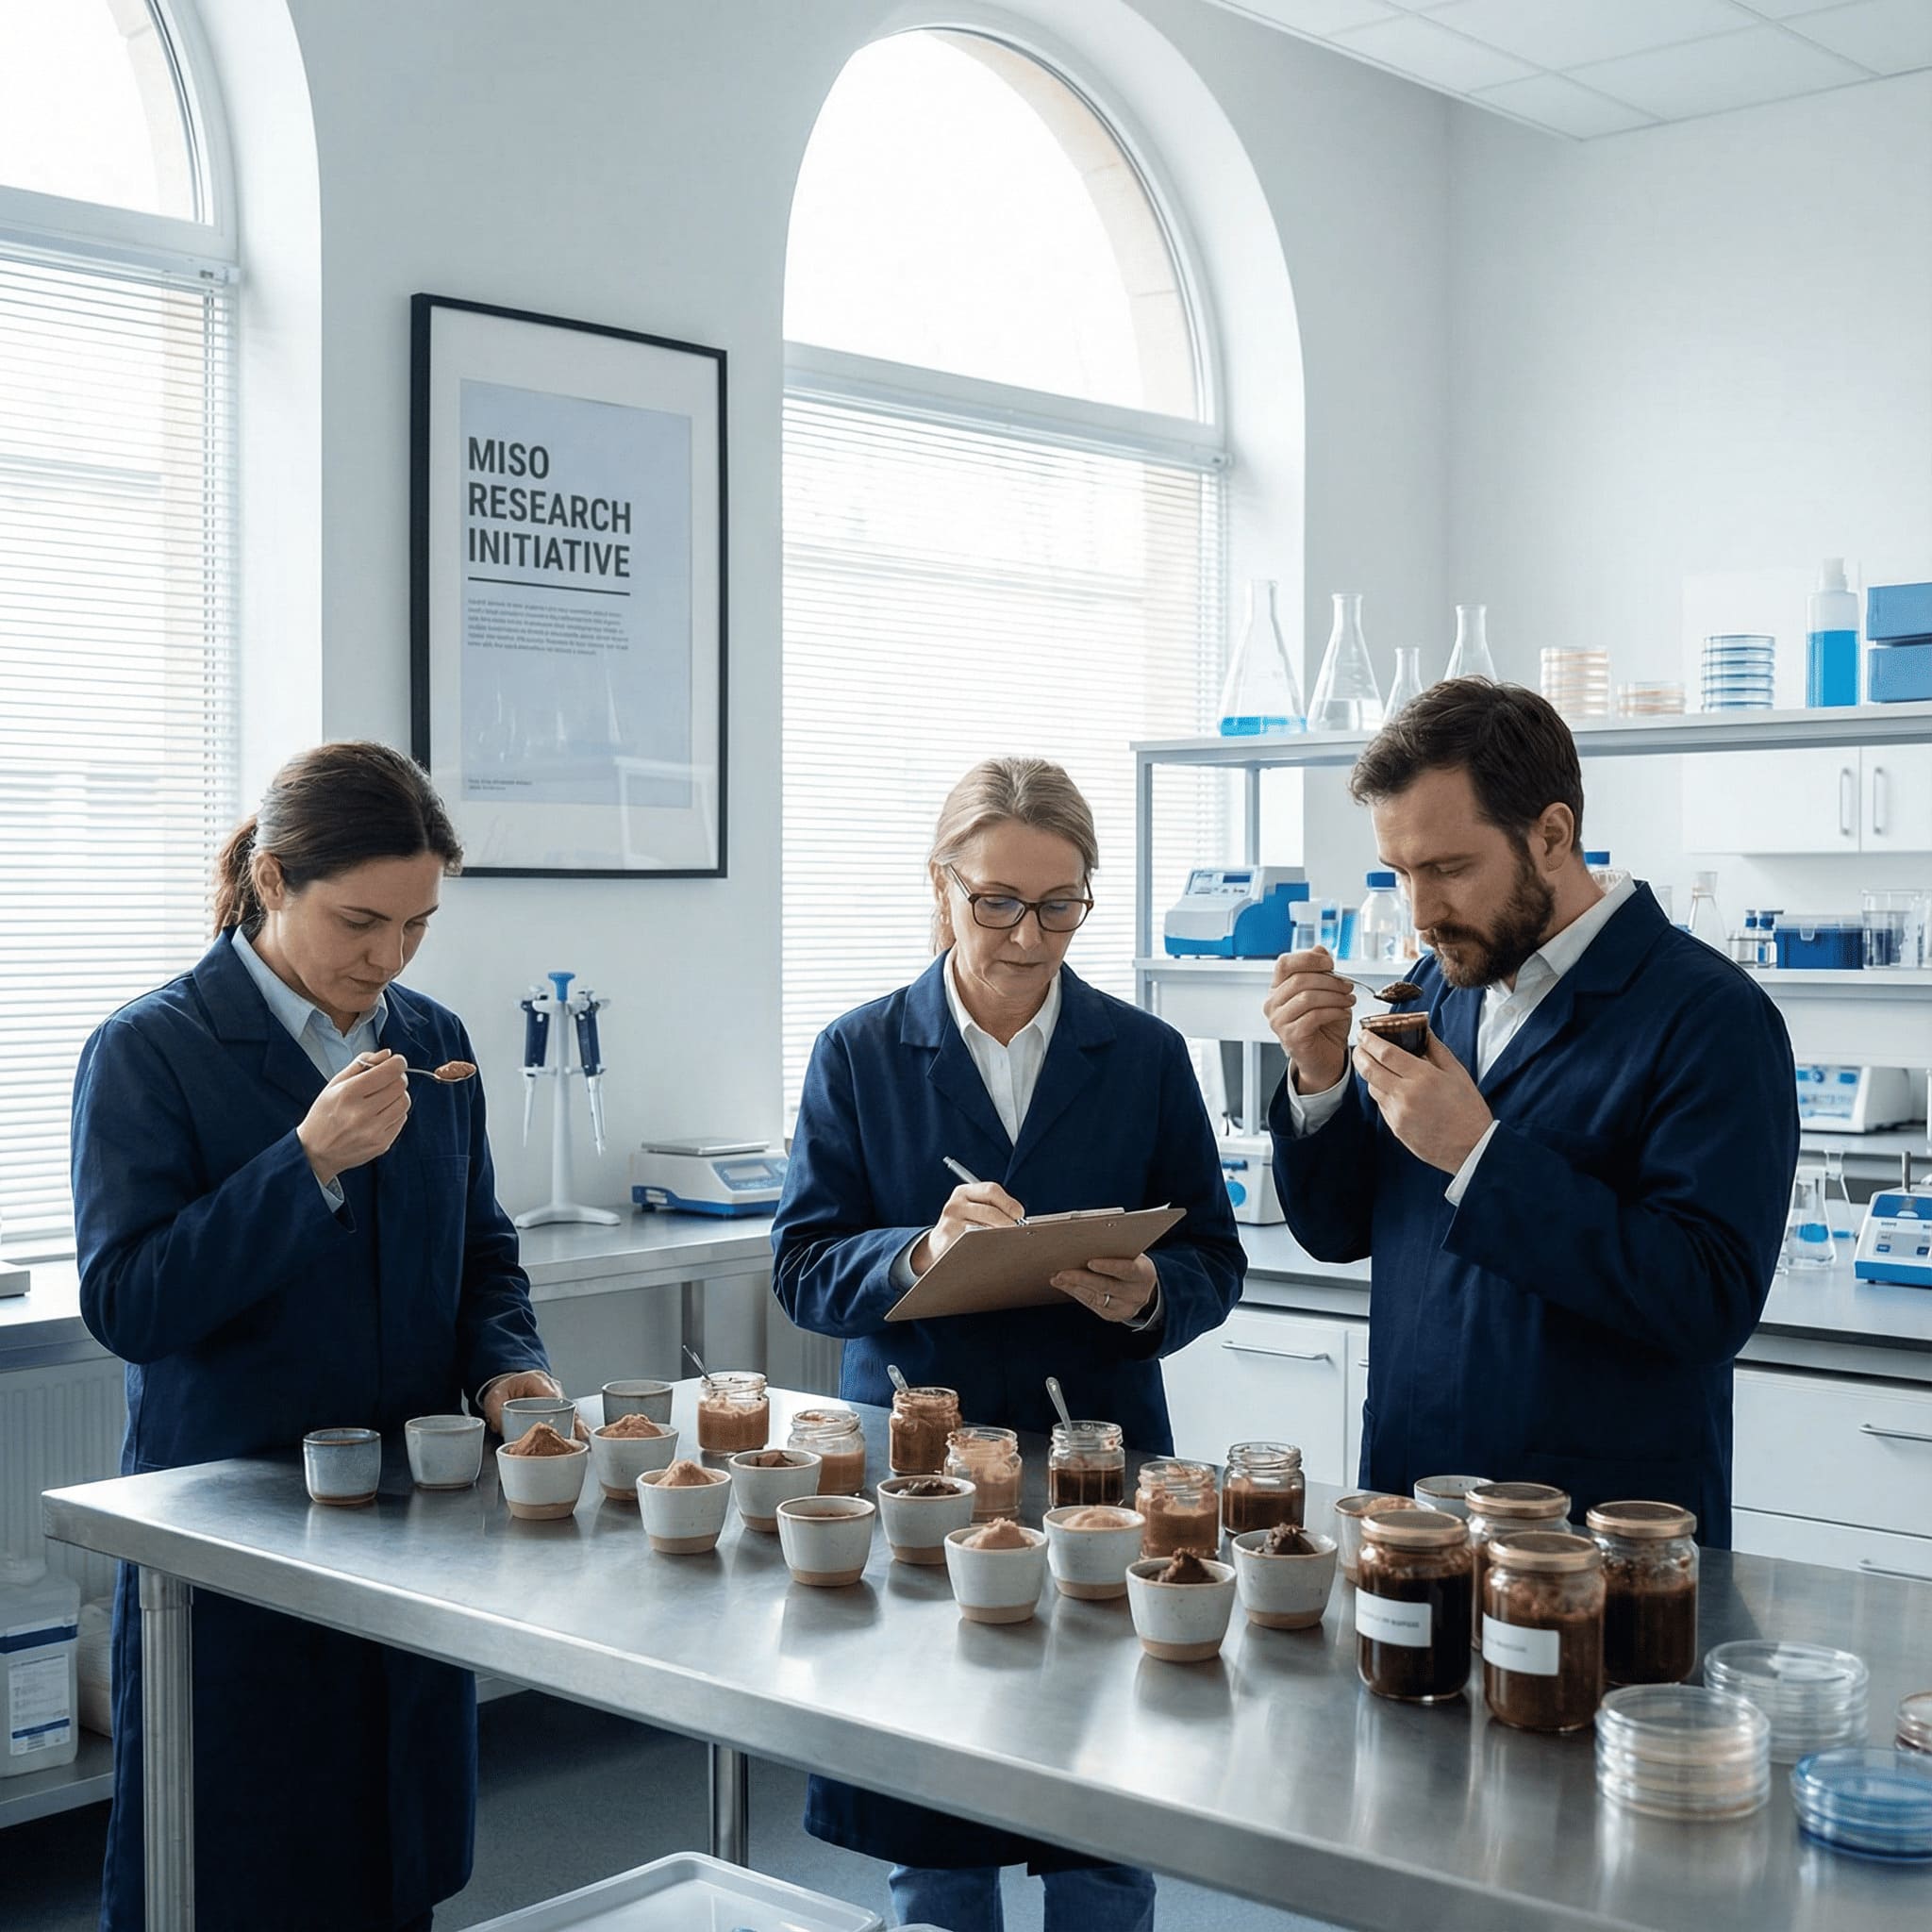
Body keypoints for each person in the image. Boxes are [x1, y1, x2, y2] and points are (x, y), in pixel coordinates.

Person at [72, 741, 562, 1932]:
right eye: (359, 921)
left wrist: (511, 1368)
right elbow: (129, 1298)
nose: (387, 958)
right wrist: (306, 1164)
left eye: (416, 925)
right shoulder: (149, 1050)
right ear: (274, 880)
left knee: (394, 1860)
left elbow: (481, 1252)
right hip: (236, 1538)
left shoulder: (433, 1035)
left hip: (410, 1525)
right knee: (233, 1866)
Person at [774, 756, 1244, 1932]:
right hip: (922, 1472)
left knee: (1105, 1812)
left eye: (1059, 905)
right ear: (940, 887)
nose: (1028, 936)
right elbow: (801, 1269)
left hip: (1100, 1463)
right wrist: (921, 1256)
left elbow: (1214, 1260)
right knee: (931, 1811)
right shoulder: (860, 1051)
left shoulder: (1141, 1055)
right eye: (996, 901)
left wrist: (1145, 1293)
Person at [1265, 682, 1795, 1545]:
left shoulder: (1710, 1017)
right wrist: (1320, 1078)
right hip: (1409, 1507)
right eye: (1401, 874)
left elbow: (1709, 1300)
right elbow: (1336, 1229)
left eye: (1448, 869)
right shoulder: (1437, 989)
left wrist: (1478, 1154)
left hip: (1599, 1534)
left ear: (1551, 835)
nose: (1421, 913)